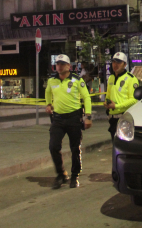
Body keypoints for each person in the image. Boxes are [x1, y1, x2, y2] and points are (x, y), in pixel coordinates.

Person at [45, 54, 92, 189]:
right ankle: (61, 174)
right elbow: (48, 92)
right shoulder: (52, 80)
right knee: (53, 146)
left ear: (68, 66)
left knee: (75, 148)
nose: (58, 66)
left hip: (74, 118)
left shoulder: (77, 80)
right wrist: (48, 104)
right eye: (57, 64)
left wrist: (87, 117)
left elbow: (86, 98)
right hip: (58, 118)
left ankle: (75, 175)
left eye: (62, 64)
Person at [104, 52, 140, 140]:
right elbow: (108, 95)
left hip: (125, 119)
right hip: (112, 119)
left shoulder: (131, 79)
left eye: (119, 63)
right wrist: (107, 103)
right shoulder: (111, 78)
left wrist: (116, 106)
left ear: (125, 64)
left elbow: (134, 100)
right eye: (114, 62)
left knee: (125, 147)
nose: (115, 65)